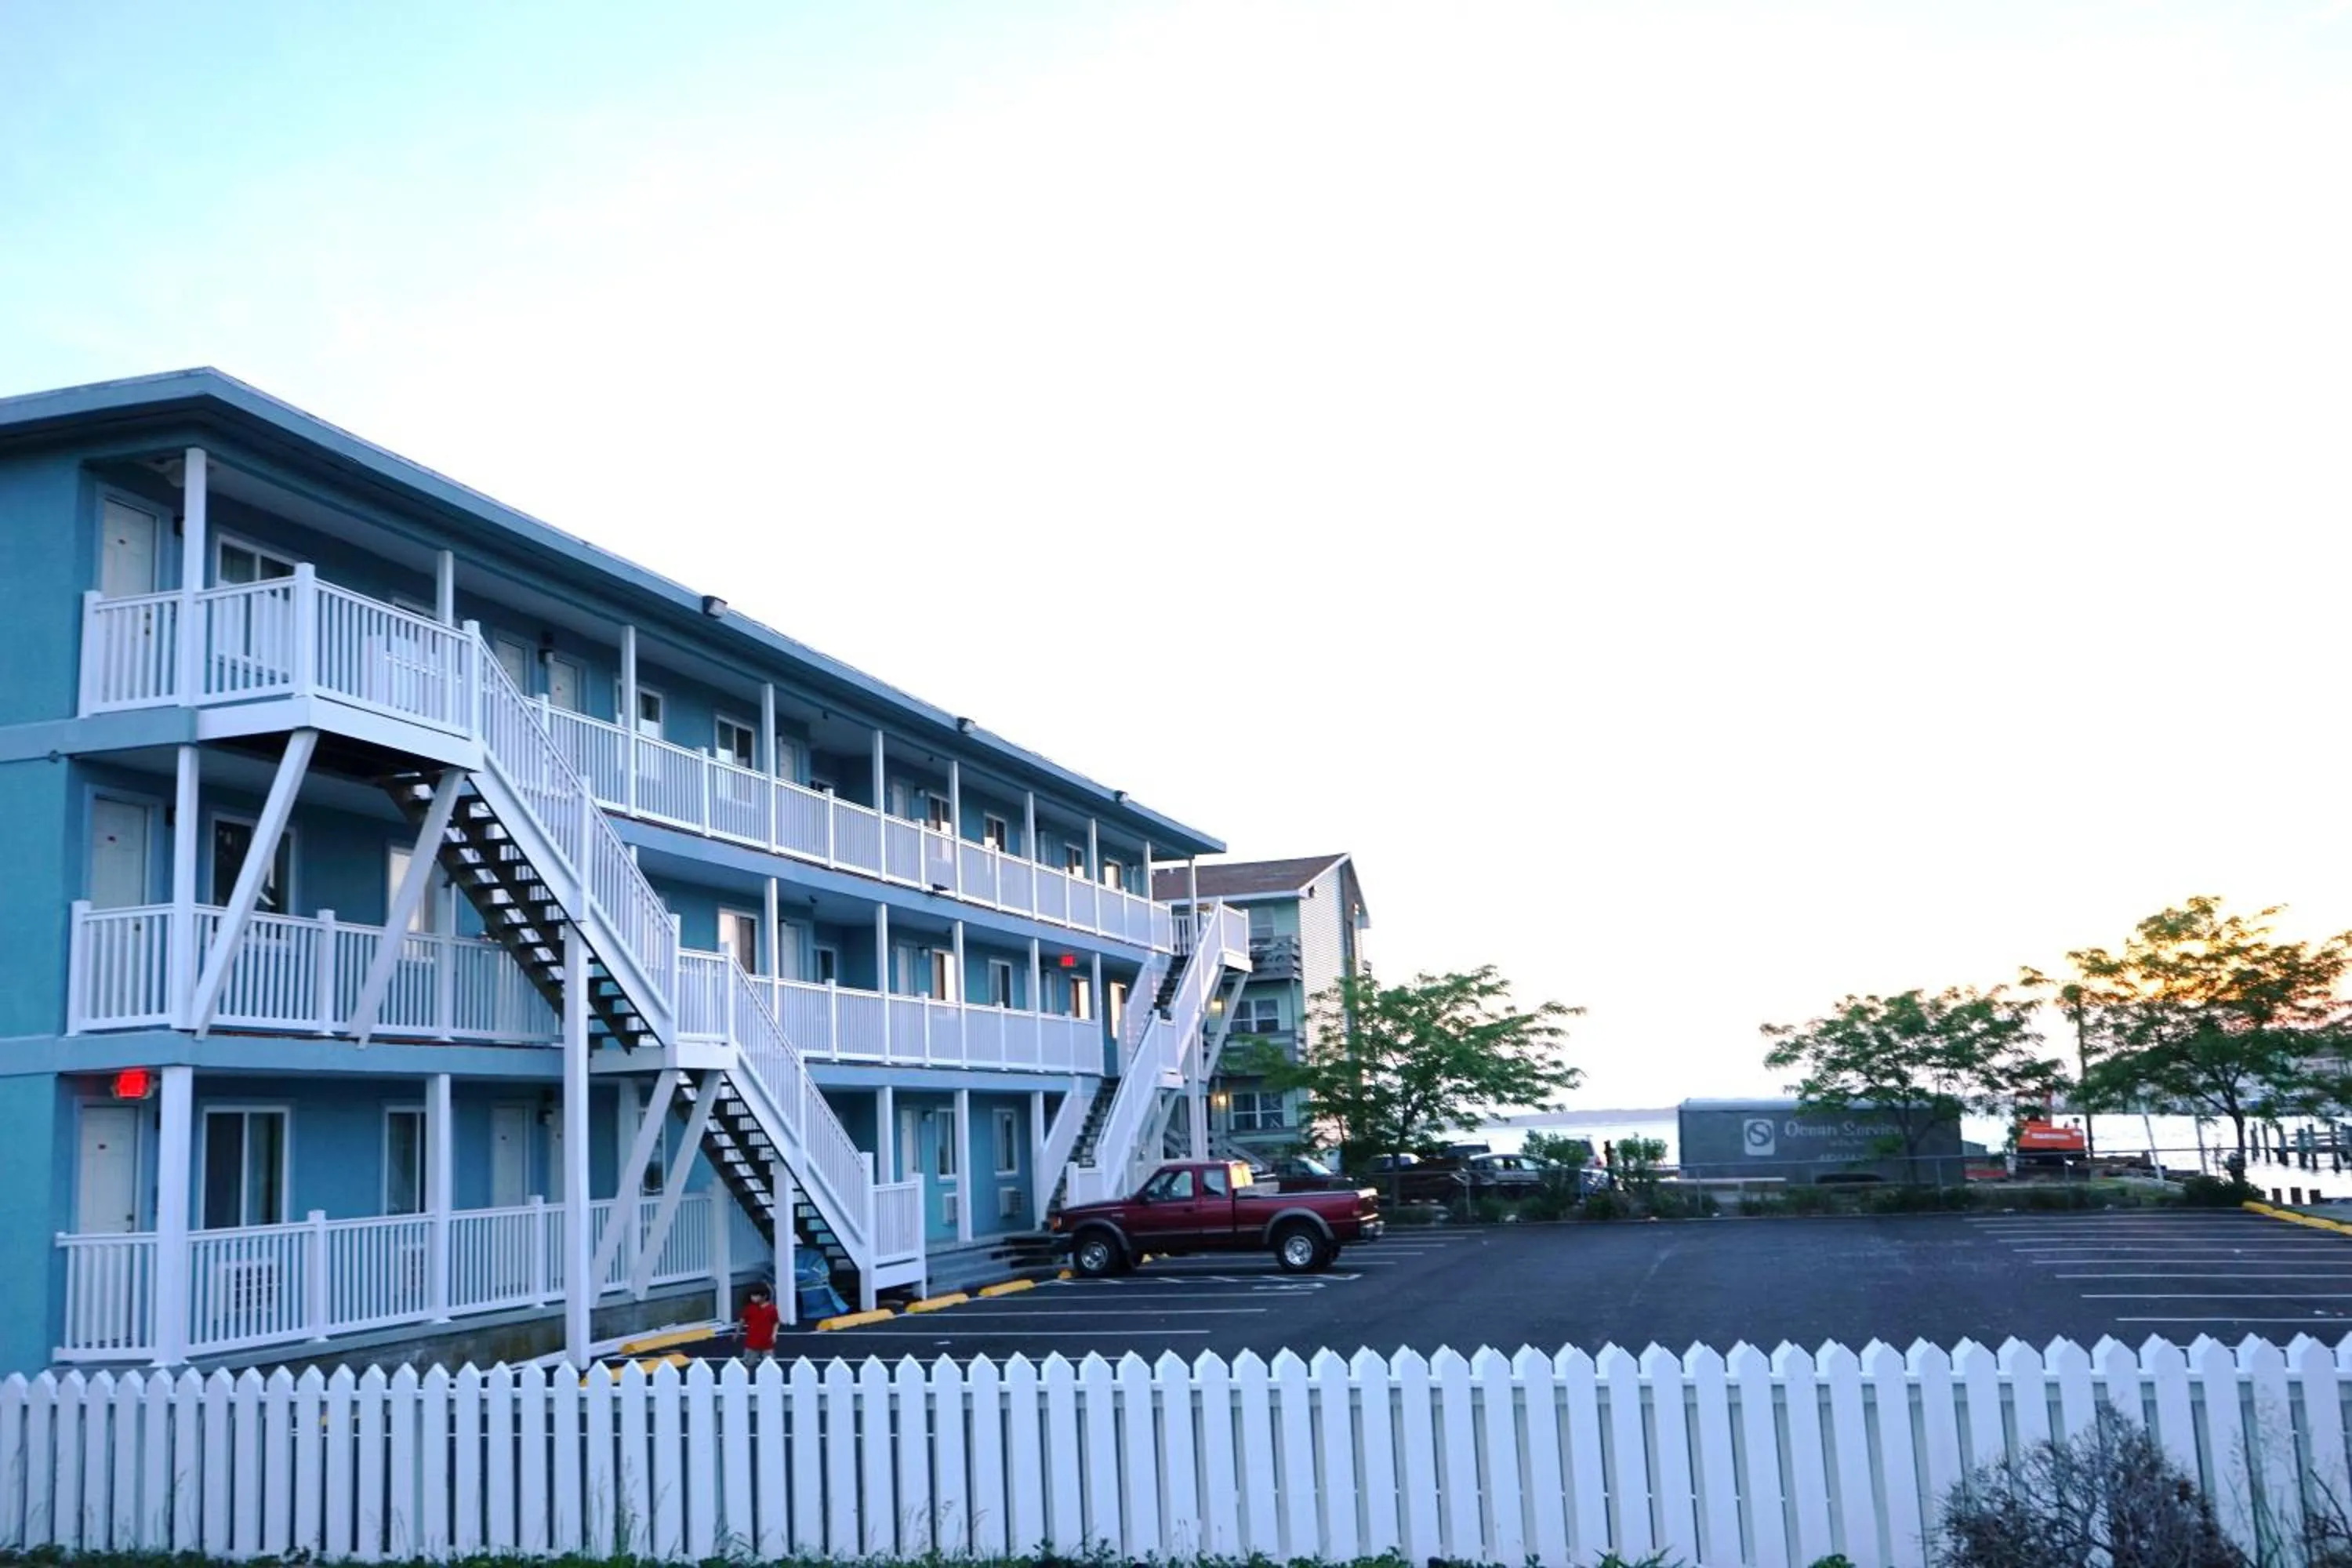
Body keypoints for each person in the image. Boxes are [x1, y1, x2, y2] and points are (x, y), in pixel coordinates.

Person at [740, 1283, 779, 1364]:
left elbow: (776, 1322)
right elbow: (742, 1321)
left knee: (770, 1365)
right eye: (752, 1296)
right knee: (748, 1363)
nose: (753, 1298)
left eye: (756, 1296)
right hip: (752, 1342)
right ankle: (748, 1376)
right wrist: (737, 1331)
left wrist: (774, 1334)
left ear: (764, 1296)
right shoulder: (749, 1308)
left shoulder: (771, 1309)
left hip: (767, 1343)